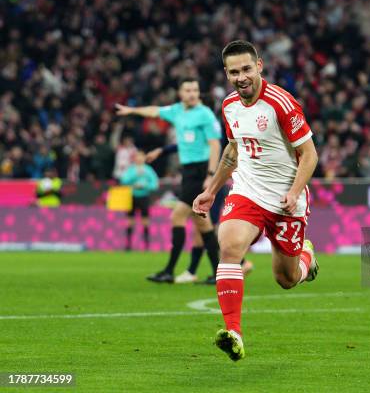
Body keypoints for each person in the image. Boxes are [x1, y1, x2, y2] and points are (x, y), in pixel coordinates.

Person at [192, 40, 319, 361]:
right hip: (247, 191)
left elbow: (309, 155)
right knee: (230, 246)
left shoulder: (282, 103)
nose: (241, 77)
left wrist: (293, 191)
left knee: (286, 279)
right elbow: (233, 150)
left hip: (286, 200)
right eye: (234, 72)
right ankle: (233, 332)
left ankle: (306, 258)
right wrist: (211, 190)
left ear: (259, 66)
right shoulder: (230, 105)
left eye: (247, 69)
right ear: (226, 73)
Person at [115, 77, 221, 283]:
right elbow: (155, 111)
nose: (192, 93)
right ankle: (219, 271)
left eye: (195, 90)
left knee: (178, 217)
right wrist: (132, 111)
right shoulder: (177, 111)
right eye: (188, 90)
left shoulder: (205, 115)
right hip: (188, 171)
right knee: (203, 224)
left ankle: (170, 271)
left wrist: (210, 175)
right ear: (180, 93)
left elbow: (215, 145)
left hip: (200, 171)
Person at [146, 145, 254, 283]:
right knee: (202, 229)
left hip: (210, 184)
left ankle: (239, 263)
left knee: (205, 227)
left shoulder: (211, 129)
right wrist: (161, 150)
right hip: (207, 182)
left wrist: (210, 175)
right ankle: (193, 271)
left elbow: (218, 147)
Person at [119, 150, 159, 251]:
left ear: (144, 158)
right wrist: (135, 176)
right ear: (134, 158)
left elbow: (155, 184)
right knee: (129, 221)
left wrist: (145, 186)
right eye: (137, 157)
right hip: (131, 197)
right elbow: (123, 181)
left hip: (144, 196)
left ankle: (146, 245)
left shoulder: (148, 170)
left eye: (141, 157)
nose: (139, 159)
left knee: (145, 221)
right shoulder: (131, 170)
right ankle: (128, 245)